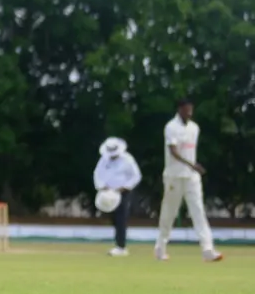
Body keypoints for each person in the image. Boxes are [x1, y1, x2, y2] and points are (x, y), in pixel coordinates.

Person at [155, 99, 223, 262]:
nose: (189, 113)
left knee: (198, 211)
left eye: (191, 110)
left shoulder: (194, 128)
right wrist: (192, 165)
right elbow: (173, 152)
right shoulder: (171, 127)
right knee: (169, 213)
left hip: (191, 177)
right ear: (179, 110)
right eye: (186, 110)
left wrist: (192, 168)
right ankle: (160, 247)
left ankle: (207, 249)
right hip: (174, 176)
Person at [93, 137, 141, 257]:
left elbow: (136, 176)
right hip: (108, 194)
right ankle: (118, 243)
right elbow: (97, 174)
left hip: (123, 192)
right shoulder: (104, 159)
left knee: (121, 218)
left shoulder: (127, 159)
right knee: (113, 218)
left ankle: (121, 246)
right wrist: (102, 186)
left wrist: (124, 187)